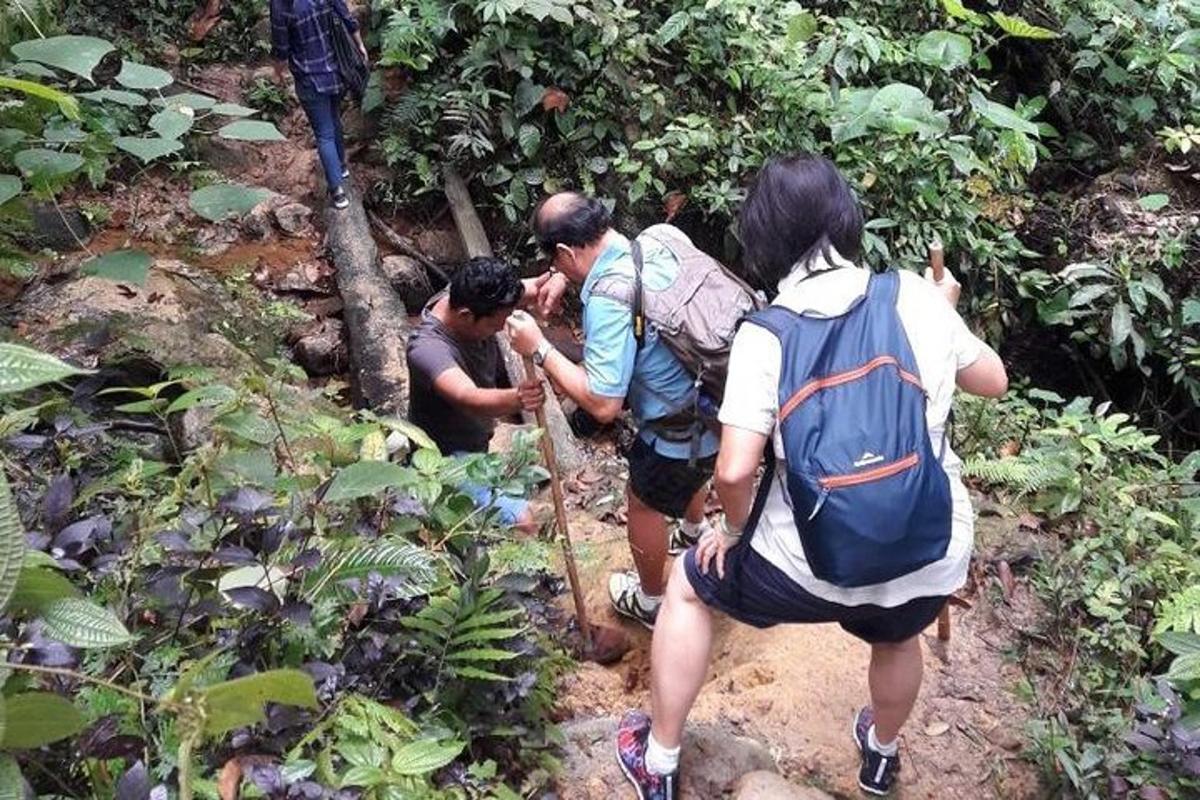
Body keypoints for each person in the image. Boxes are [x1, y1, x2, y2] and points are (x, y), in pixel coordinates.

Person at [614, 155, 1009, 799]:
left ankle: (658, 761)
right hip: (926, 550)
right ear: (847, 218)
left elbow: (736, 469)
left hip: (803, 567)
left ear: (762, 236)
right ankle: (880, 756)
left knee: (688, 587)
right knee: (897, 633)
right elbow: (992, 381)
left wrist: (736, 532)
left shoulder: (767, 334)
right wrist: (947, 311)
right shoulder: (913, 294)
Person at [506, 193, 719, 629]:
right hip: (717, 400)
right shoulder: (662, 237)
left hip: (676, 426)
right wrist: (564, 276)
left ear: (566, 251)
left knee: (642, 503)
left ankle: (652, 599)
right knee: (693, 467)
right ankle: (695, 532)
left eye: (557, 260)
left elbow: (604, 405)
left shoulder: (607, 298)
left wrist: (540, 348)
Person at [407, 257, 560, 534]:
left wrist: (556, 278)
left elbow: (533, 288)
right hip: (444, 460)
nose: (500, 329)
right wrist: (518, 398)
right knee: (525, 522)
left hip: (478, 443)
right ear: (466, 315)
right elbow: (468, 396)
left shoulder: (473, 297)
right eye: (494, 325)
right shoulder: (427, 349)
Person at [269, 0, 367, 210]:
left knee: (324, 134)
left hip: (309, 80)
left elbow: (281, 48)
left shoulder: (280, 4)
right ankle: (341, 168)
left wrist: (277, 73)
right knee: (334, 120)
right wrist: (359, 44)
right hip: (336, 71)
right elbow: (345, 15)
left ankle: (338, 192)